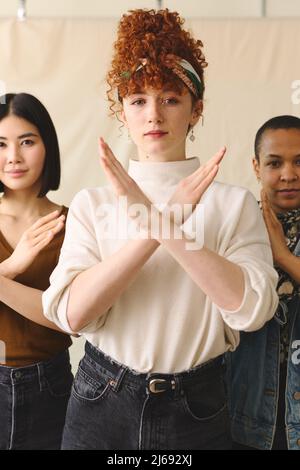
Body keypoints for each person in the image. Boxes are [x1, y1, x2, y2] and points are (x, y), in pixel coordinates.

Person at [43, 9, 278, 450]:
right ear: (123, 111)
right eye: (138, 100)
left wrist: (164, 225)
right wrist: (156, 227)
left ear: (196, 109)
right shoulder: (93, 205)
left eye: (170, 98)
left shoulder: (233, 204)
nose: (154, 114)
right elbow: (73, 314)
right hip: (100, 401)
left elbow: (249, 310)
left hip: (199, 407)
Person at [0, 93, 73, 450]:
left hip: (52, 384)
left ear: (47, 145)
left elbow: (71, 318)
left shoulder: (76, 222)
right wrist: (12, 267)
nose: (13, 156)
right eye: (0, 144)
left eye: (27, 141)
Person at [227, 115, 300, 450]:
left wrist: (283, 257)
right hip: (245, 413)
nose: (288, 175)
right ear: (256, 167)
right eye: (275, 163)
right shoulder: (235, 227)